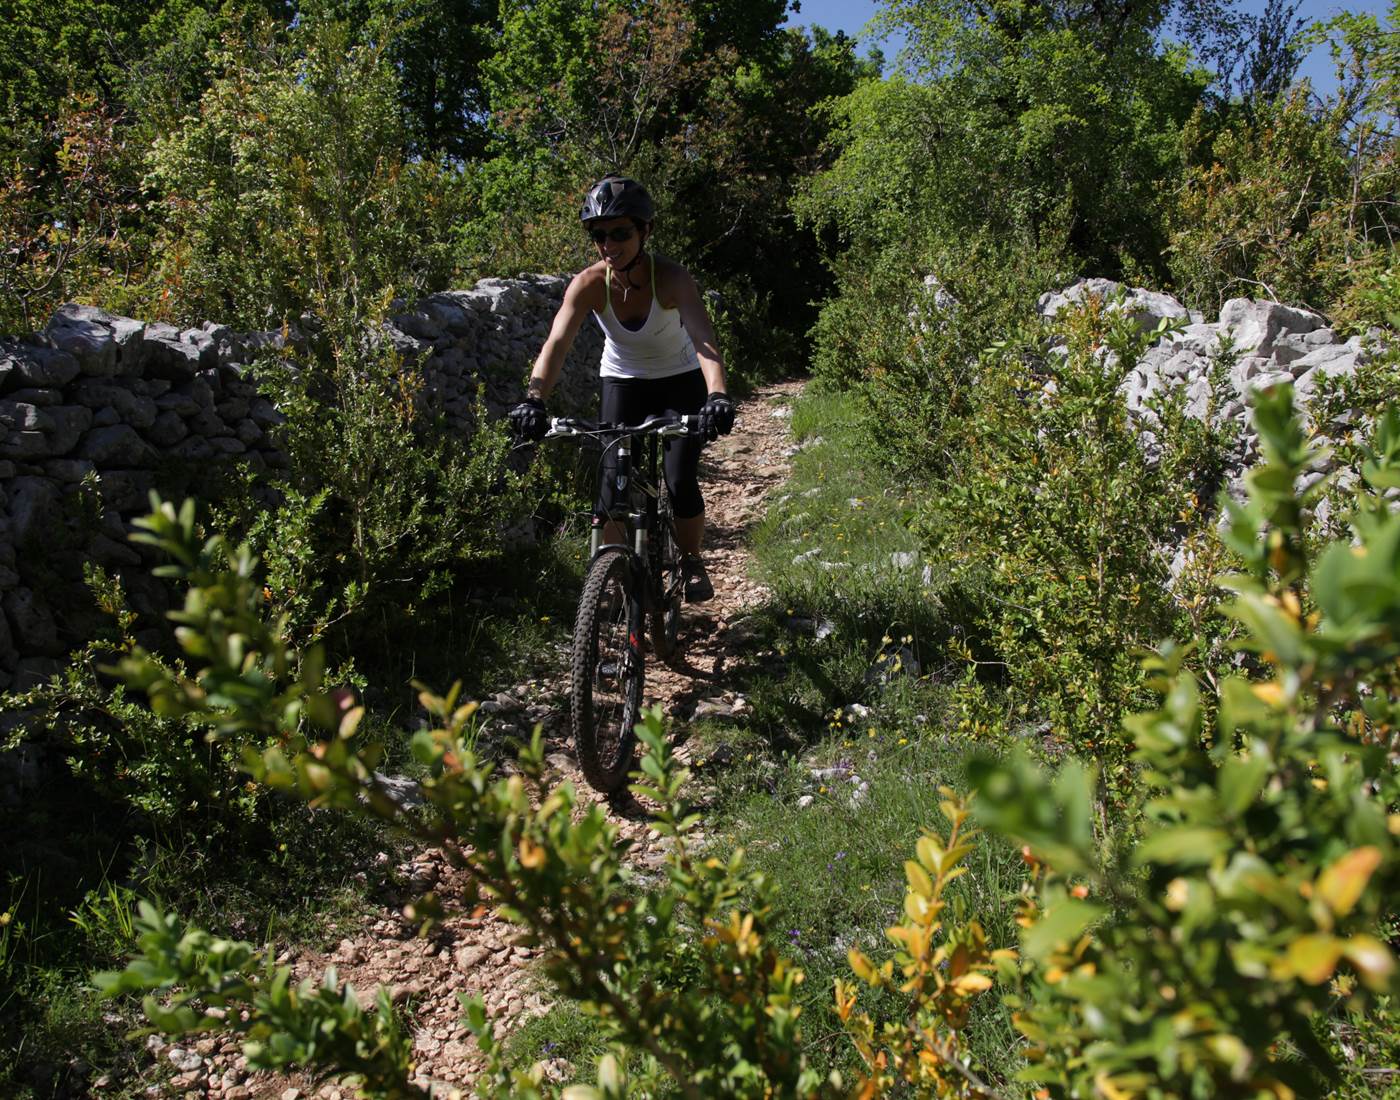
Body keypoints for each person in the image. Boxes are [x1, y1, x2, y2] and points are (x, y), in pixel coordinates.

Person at [509, 175, 735, 602]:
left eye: (620, 233)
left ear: (645, 231)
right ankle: (607, 587)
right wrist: (533, 398)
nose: (609, 245)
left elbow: (703, 338)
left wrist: (717, 395)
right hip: (622, 379)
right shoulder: (590, 283)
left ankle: (689, 559)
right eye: (599, 235)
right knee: (611, 483)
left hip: (679, 380)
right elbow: (556, 343)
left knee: (679, 478)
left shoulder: (671, 278)